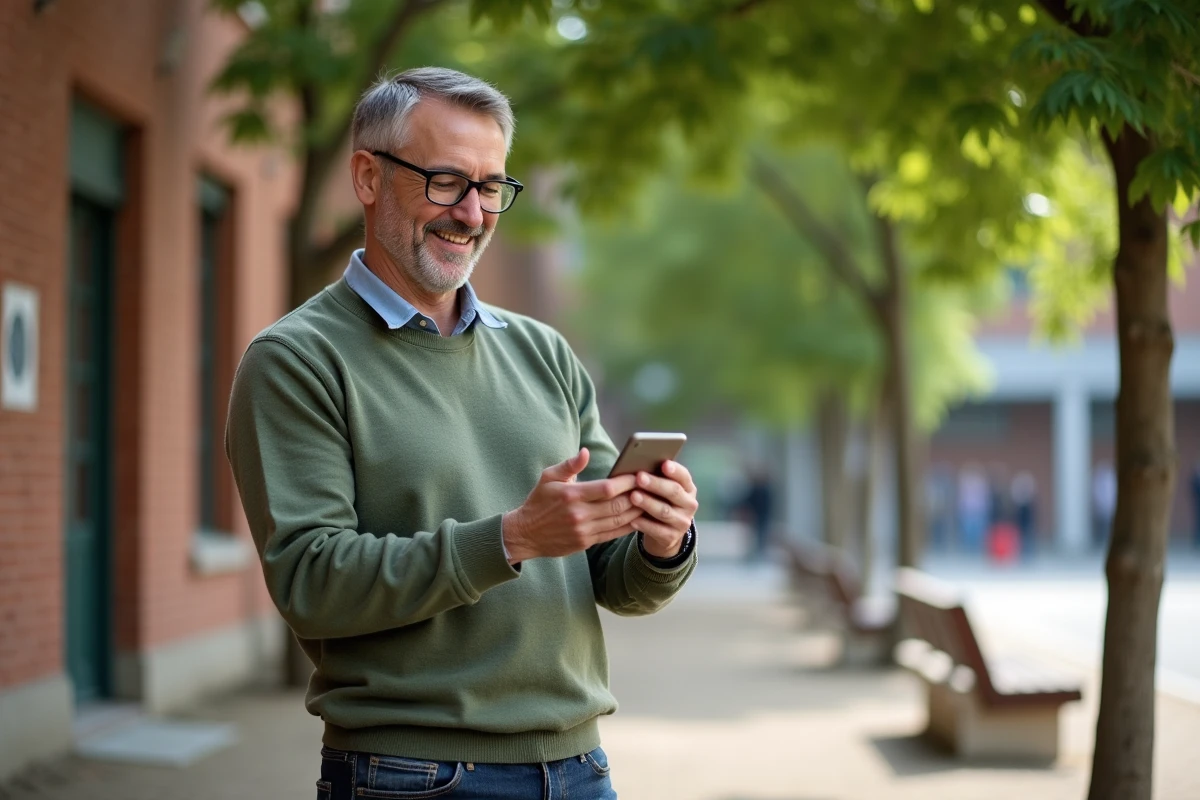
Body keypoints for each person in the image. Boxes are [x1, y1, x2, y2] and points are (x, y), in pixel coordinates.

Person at [225, 68, 699, 800]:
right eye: (446, 182)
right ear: (367, 177)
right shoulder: (295, 361)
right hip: (411, 774)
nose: (473, 214)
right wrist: (509, 540)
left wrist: (661, 542)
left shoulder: (544, 352)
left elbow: (614, 577)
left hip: (580, 767)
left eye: (492, 187)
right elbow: (311, 581)